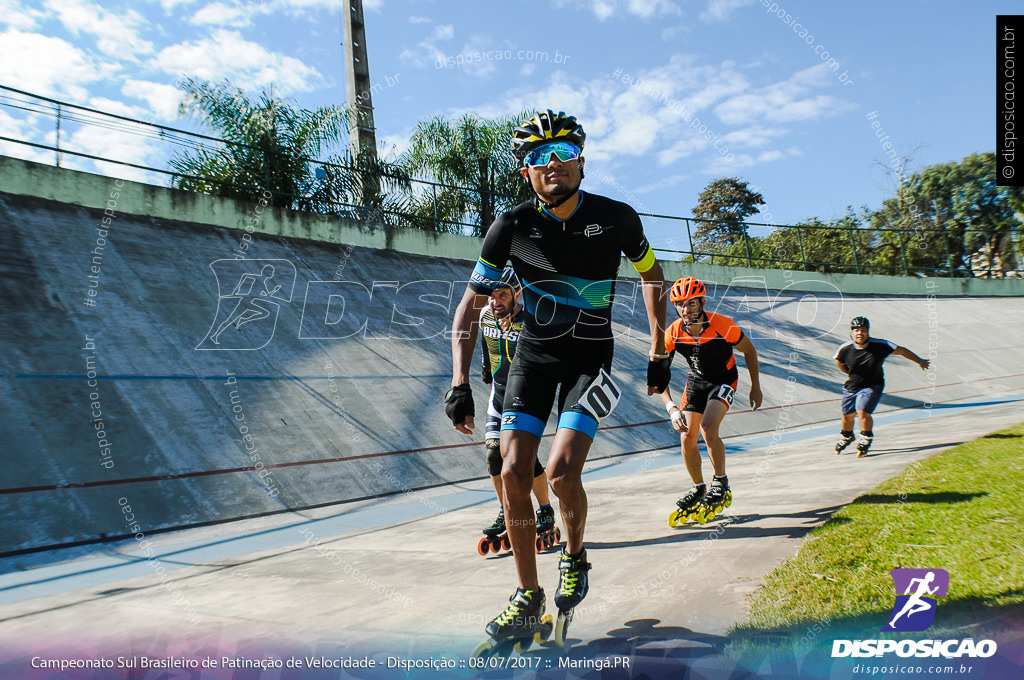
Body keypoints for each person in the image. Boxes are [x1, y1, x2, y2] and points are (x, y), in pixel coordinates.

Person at [445, 110, 669, 646]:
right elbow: (469, 306)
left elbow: (654, 276)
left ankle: (575, 558)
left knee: (563, 474)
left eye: (562, 154)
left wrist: (660, 348)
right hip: (534, 361)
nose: (552, 166)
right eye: (538, 158)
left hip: (589, 362)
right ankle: (527, 596)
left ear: (581, 162)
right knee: (511, 470)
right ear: (526, 172)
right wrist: (458, 382)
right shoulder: (511, 226)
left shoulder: (617, 219)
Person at [656, 277, 762, 524]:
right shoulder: (673, 332)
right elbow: (658, 375)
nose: (686, 309)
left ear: (702, 302)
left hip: (725, 379)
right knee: (686, 436)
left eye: (691, 303)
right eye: (680, 304)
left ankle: (721, 481)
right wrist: (671, 408)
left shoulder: (722, 325)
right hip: (697, 381)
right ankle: (699, 487)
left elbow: (750, 351)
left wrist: (755, 387)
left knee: (708, 427)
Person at [477, 268, 556, 555]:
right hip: (498, 393)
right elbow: (486, 348)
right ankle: (504, 508)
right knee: (492, 455)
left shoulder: (530, 320)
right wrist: (486, 369)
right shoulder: (485, 317)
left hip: (525, 396)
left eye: (502, 295)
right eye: (491, 296)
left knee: (522, 456)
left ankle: (545, 509)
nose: (495, 301)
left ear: (516, 294)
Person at [833, 316, 930, 457]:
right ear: (852, 332)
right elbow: (839, 362)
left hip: (873, 385)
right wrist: (850, 373)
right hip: (852, 386)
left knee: (862, 411)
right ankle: (847, 436)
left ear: (868, 332)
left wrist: (920, 361)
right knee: (847, 416)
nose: (860, 333)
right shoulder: (845, 349)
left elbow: (902, 351)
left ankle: (866, 437)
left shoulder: (880, 345)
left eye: (864, 330)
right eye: (857, 330)